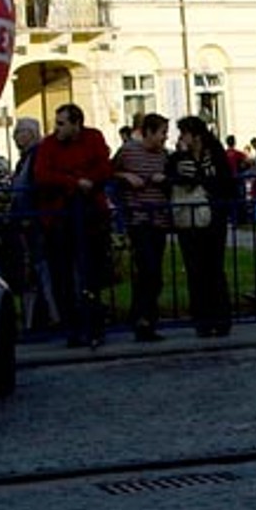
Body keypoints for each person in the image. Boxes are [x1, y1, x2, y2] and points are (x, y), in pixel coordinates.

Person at [33, 102, 114, 348]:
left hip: (90, 214)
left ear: (76, 123)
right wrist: (74, 181)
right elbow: (42, 174)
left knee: (92, 273)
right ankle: (73, 328)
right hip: (59, 216)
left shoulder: (93, 138)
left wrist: (88, 180)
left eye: (61, 123)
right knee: (63, 275)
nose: (57, 129)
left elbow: (104, 167)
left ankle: (94, 325)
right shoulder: (49, 145)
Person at [170, 115, 236, 337]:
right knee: (194, 269)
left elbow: (226, 182)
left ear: (195, 136)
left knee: (214, 267)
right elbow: (174, 181)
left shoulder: (215, 154)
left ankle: (220, 317)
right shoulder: (179, 158)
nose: (180, 138)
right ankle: (203, 320)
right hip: (189, 220)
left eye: (184, 134)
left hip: (213, 217)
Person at [112, 110, 172, 342]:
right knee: (148, 268)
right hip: (138, 219)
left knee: (154, 271)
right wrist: (125, 176)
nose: (165, 138)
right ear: (148, 132)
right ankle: (142, 318)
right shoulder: (128, 152)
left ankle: (145, 316)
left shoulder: (164, 156)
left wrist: (164, 181)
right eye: (162, 133)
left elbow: (171, 181)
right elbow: (111, 172)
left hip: (159, 219)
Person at [8, 116, 57, 331]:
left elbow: (30, 187)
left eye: (20, 132)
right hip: (27, 220)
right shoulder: (25, 158)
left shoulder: (35, 156)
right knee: (35, 269)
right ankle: (41, 316)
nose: (16, 136)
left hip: (33, 221)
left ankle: (50, 314)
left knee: (39, 267)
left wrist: (27, 214)